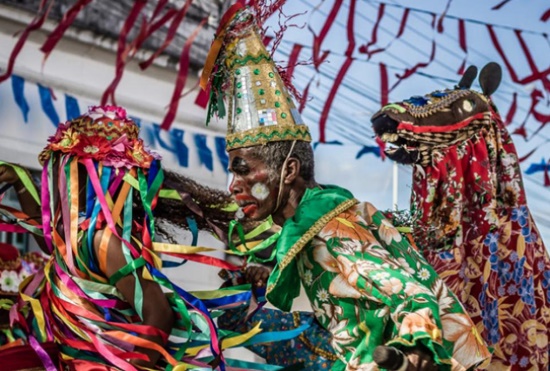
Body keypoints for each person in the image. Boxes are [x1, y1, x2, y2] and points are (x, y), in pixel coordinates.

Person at [201, 4, 492, 370]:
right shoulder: (311, 225)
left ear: (289, 170)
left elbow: (408, 291)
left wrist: (416, 350)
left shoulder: (335, 230)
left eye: (244, 171)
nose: (233, 186)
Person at [0, 105, 245, 370]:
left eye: (63, 167)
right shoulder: (79, 235)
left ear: (88, 177)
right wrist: (19, 180)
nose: (55, 178)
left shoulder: (105, 241)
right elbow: (47, 239)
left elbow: (159, 314)